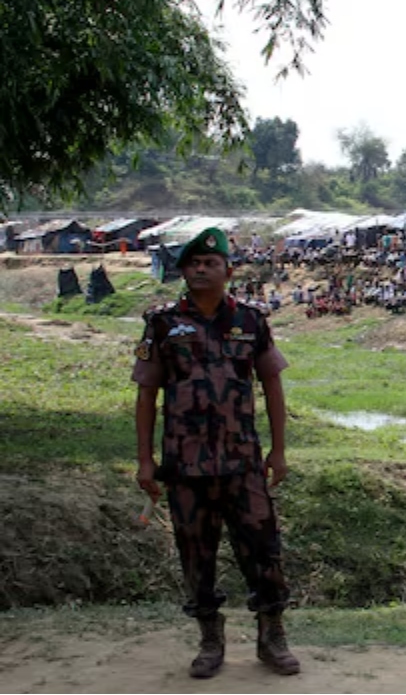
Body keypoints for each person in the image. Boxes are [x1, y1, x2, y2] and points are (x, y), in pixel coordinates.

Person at [132, 227, 300, 679]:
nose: (200, 269)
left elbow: (272, 383)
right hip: (185, 466)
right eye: (193, 264)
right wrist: (145, 460)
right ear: (183, 271)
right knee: (195, 553)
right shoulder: (163, 323)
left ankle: (272, 636)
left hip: (243, 463)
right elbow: (147, 394)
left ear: (229, 270)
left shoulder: (251, 320)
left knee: (264, 550)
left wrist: (278, 451)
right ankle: (210, 639)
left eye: (209, 263)